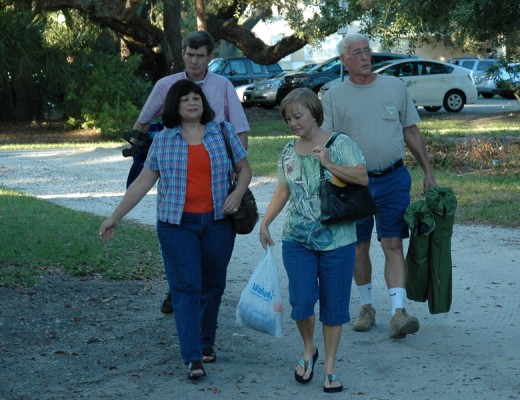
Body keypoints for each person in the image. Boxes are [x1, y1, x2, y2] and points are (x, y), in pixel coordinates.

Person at [99, 79, 251, 379]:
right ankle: (193, 356)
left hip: (219, 223)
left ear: (203, 103)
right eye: (185, 100)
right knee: (186, 287)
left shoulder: (222, 132)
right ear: (175, 107)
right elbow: (143, 182)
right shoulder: (164, 140)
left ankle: (207, 343)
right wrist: (114, 216)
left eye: (196, 98)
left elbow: (245, 169)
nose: (192, 103)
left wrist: (236, 193)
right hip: (176, 225)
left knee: (213, 285)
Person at [321, 33, 437, 339]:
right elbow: (324, 141)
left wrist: (428, 170)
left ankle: (399, 313)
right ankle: (367, 306)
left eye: (367, 51)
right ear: (344, 60)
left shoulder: (394, 87)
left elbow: (410, 131)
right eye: (356, 53)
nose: (364, 56)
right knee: (358, 247)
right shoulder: (333, 96)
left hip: (393, 179)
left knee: (393, 243)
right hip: (351, 184)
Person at [134, 30, 250, 323]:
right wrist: (141, 152)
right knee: (174, 230)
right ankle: (177, 285)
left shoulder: (222, 86)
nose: (195, 60)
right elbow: (143, 123)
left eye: (201, 55)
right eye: (190, 54)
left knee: (212, 238)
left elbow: (240, 129)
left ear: (210, 57)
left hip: (214, 172)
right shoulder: (166, 85)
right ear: (182, 54)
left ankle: (199, 300)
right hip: (176, 174)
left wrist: (236, 171)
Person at [259, 88, 368, 393]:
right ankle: (309, 349)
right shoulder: (288, 151)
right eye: (288, 117)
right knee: (302, 302)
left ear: (314, 113)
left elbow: (362, 177)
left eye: (298, 115)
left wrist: (330, 163)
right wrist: (266, 222)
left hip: (338, 239)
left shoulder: (340, 143)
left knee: (334, 306)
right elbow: (283, 190)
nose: (293, 122)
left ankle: (330, 366)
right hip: (297, 239)